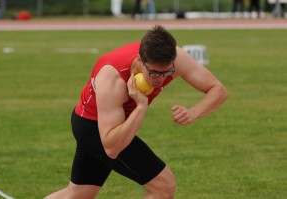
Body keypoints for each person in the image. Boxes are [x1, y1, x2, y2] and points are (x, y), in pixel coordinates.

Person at [44, 25, 227, 199]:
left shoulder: (177, 59)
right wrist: (141, 106)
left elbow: (218, 90)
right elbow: (111, 147)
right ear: (140, 61)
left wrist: (193, 112)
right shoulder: (113, 78)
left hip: (112, 125)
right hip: (93, 127)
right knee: (164, 188)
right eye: (155, 73)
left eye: (167, 72)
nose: (161, 80)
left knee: (77, 195)